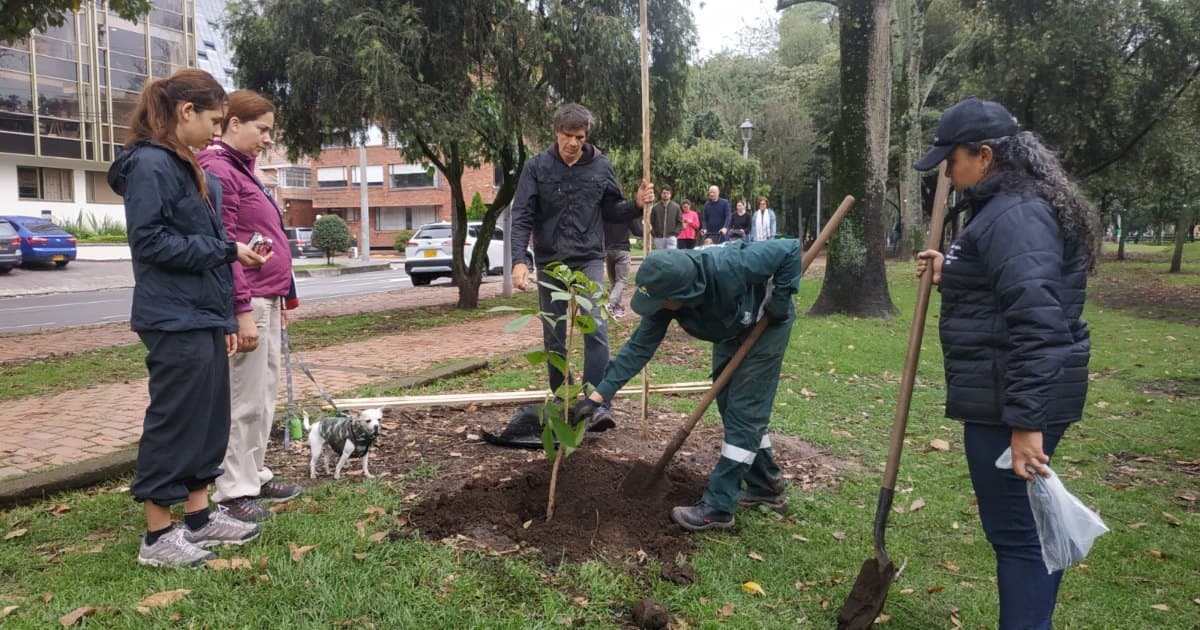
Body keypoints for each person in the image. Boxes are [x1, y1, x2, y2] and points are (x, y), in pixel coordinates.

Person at [914, 96, 1097, 630]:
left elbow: (1039, 322)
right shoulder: (1011, 206)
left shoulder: (1017, 214)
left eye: (953, 158)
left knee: (1019, 536)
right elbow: (1006, 287)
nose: (948, 169)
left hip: (1010, 403)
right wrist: (954, 268)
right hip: (1006, 393)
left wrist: (1026, 425)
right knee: (1030, 530)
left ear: (986, 155)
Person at [107, 69, 267, 568]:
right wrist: (225, 249)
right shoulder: (152, 165)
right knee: (175, 420)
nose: (218, 132)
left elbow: (206, 247)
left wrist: (223, 319)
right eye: (215, 121)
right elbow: (150, 241)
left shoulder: (185, 164)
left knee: (209, 417)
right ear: (186, 112)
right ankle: (158, 534)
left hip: (200, 313)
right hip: (171, 315)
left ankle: (199, 517)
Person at [571, 240, 802, 530]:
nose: (657, 308)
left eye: (661, 302)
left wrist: (781, 297)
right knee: (729, 404)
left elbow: (791, 249)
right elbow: (638, 349)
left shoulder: (731, 264)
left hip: (766, 324)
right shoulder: (666, 298)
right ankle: (766, 487)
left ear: (683, 293)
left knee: (745, 411)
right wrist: (596, 398)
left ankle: (719, 506)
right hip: (730, 331)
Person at [509, 103, 655, 430]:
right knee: (555, 334)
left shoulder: (601, 166)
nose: (573, 142)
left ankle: (594, 403)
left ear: (585, 136)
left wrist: (635, 204)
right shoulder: (536, 168)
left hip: (589, 256)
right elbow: (521, 218)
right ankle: (563, 401)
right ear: (556, 133)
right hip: (550, 261)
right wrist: (520, 260)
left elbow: (613, 210)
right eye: (567, 135)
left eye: (579, 136)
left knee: (595, 326)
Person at [198, 90, 303, 523]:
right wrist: (242, 309)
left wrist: (285, 296)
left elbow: (268, 236)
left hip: (268, 298)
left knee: (263, 396)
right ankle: (232, 489)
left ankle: (254, 474)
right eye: (261, 130)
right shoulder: (219, 170)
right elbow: (227, 247)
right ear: (233, 123)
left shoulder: (246, 170)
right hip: (249, 301)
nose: (266, 140)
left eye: (269, 132)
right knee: (243, 397)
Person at [603, 215, 643, 319]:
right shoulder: (627, 212)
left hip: (608, 250)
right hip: (622, 250)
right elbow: (638, 231)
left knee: (614, 282)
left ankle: (617, 309)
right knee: (621, 281)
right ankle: (611, 304)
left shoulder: (606, 212)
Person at [648, 185, 682, 250]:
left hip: (671, 237)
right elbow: (651, 222)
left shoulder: (676, 207)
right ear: (661, 194)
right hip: (659, 237)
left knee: (670, 257)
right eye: (664, 193)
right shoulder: (655, 208)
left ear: (670, 195)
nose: (665, 194)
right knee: (661, 257)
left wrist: (675, 233)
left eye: (667, 193)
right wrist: (654, 233)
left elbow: (680, 222)